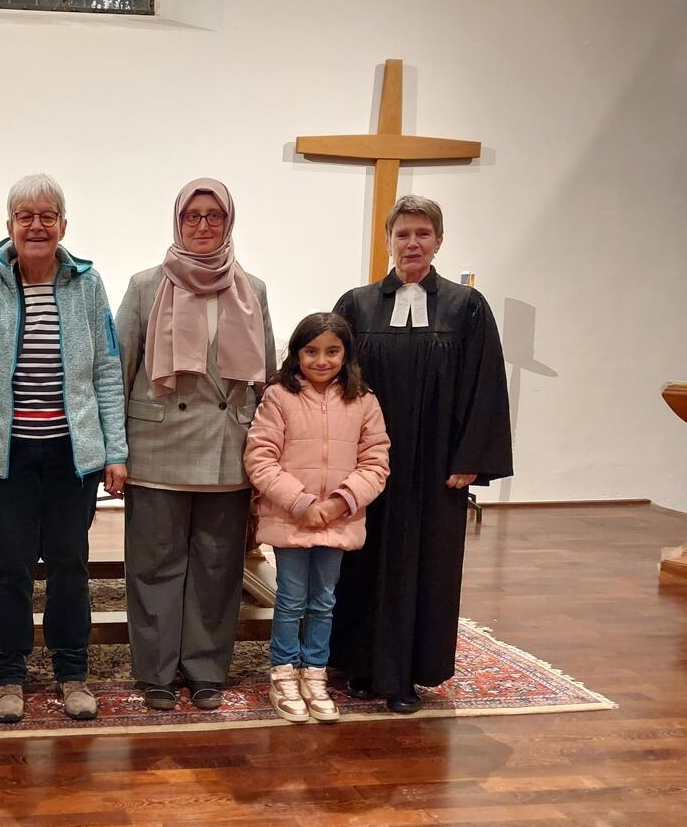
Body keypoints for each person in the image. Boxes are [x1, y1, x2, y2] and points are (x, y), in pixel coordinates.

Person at [0, 175, 127, 724]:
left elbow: (105, 368)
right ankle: (8, 674)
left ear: (63, 226)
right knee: (11, 565)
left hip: (73, 455)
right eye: (25, 216)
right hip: (9, 457)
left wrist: (115, 450)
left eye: (47, 215)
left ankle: (72, 671)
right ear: (8, 227)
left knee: (71, 564)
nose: (36, 225)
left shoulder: (87, 284)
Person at [331, 195, 513, 713]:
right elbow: (333, 378)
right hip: (370, 463)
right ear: (389, 241)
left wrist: (468, 456)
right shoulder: (357, 305)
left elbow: (485, 386)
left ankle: (408, 674)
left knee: (423, 565)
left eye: (423, 234)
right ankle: (361, 667)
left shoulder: (465, 307)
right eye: (403, 234)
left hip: (435, 468)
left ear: (439, 241)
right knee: (362, 561)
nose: (412, 243)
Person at [116, 178, 276, 711]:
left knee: (217, 564)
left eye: (214, 217)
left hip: (227, 449)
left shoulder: (253, 288)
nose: (203, 226)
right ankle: (157, 671)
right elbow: (118, 371)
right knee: (155, 563)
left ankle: (206, 667)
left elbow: (265, 379)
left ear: (229, 223)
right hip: (157, 444)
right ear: (178, 221)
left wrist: (265, 452)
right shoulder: (145, 285)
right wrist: (114, 452)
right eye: (193, 216)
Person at [244, 313, 390, 723]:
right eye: (311, 351)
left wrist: (340, 502)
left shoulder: (364, 401)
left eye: (332, 351)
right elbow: (260, 458)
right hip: (294, 519)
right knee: (291, 599)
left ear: (347, 354)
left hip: (340, 519)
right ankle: (283, 673)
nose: (321, 360)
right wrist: (302, 503)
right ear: (296, 353)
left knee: (324, 601)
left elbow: (376, 461)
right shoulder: (278, 397)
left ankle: (315, 672)